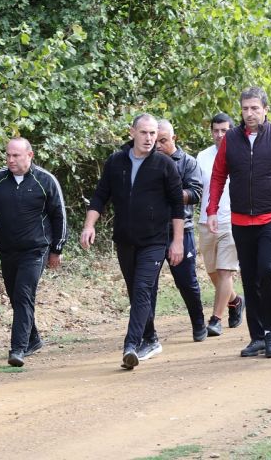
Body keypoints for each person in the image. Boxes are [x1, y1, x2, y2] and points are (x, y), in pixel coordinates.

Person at [206, 86, 271, 359]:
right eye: (245, 109)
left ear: (265, 109)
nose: (249, 113)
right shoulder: (231, 140)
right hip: (240, 219)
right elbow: (218, 175)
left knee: (268, 271)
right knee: (249, 278)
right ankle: (257, 337)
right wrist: (212, 210)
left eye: (254, 108)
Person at [80, 114, 184, 370]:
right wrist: (89, 226)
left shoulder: (164, 164)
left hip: (155, 241)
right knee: (136, 292)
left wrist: (178, 242)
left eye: (153, 134)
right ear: (132, 133)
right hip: (125, 240)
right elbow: (100, 195)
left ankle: (131, 346)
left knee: (142, 289)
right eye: (144, 133)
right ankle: (151, 338)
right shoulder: (116, 162)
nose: (149, 138)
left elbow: (177, 206)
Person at [0, 138, 67, 367]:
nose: (11, 160)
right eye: (8, 155)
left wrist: (57, 249)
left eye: (16, 155)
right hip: (7, 250)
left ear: (30, 155)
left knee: (24, 294)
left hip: (36, 249)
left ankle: (18, 349)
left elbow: (59, 215)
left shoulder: (45, 180)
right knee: (15, 296)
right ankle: (33, 339)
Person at [154, 120, 207, 346]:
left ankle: (198, 322)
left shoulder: (188, 162)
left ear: (173, 138)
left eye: (163, 140)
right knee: (148, 284)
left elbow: (196, 193)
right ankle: (147, 333)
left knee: (186, 281)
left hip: (181, 230)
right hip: (153, 232)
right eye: (155, 141)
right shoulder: (147, 160)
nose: (158, 145)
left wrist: (173, 193)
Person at [197, 113, 244, 337]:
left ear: (231, 131)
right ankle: (235, 300)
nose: (219, 135)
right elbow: (197, 188)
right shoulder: (202, 156)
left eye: (224, 130)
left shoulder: (241, 154)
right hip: (206, 220)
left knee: (226, 271)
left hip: (232, 220)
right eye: (216, 131)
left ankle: (215, 319)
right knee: (212, 271)